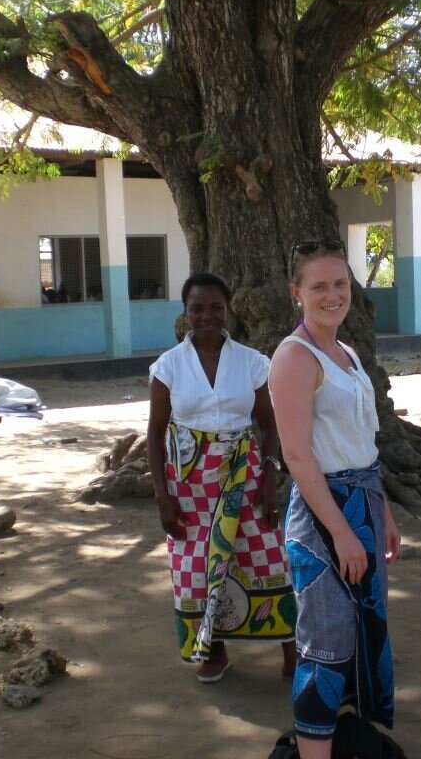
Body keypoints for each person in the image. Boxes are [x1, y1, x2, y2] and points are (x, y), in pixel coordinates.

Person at [269, 238, 402, 759]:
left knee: (359, 636)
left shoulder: (346, 353)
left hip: (361, 504)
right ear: (296, 292)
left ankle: (340, 741)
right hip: (322, 517)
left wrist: (382, 511)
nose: (332, 295)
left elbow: (363, 443)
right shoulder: (294, 357)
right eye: (319, 285)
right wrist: (342, 533)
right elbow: (298, 457)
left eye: (340, 283)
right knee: (324, 644)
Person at [146, 272, 297, 684]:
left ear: (227, 310)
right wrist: (162, 496)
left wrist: (269, 478)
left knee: (267, 557)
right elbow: (155, 434)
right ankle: (213, 651)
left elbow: (269, 424)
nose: (206, 316)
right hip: (189, 486)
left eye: (215, 307)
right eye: (197, 308)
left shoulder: (251, 362)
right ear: (185, 313)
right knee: (196, 569)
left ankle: (291, 649)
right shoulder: (168, 367)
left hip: (245, 479)